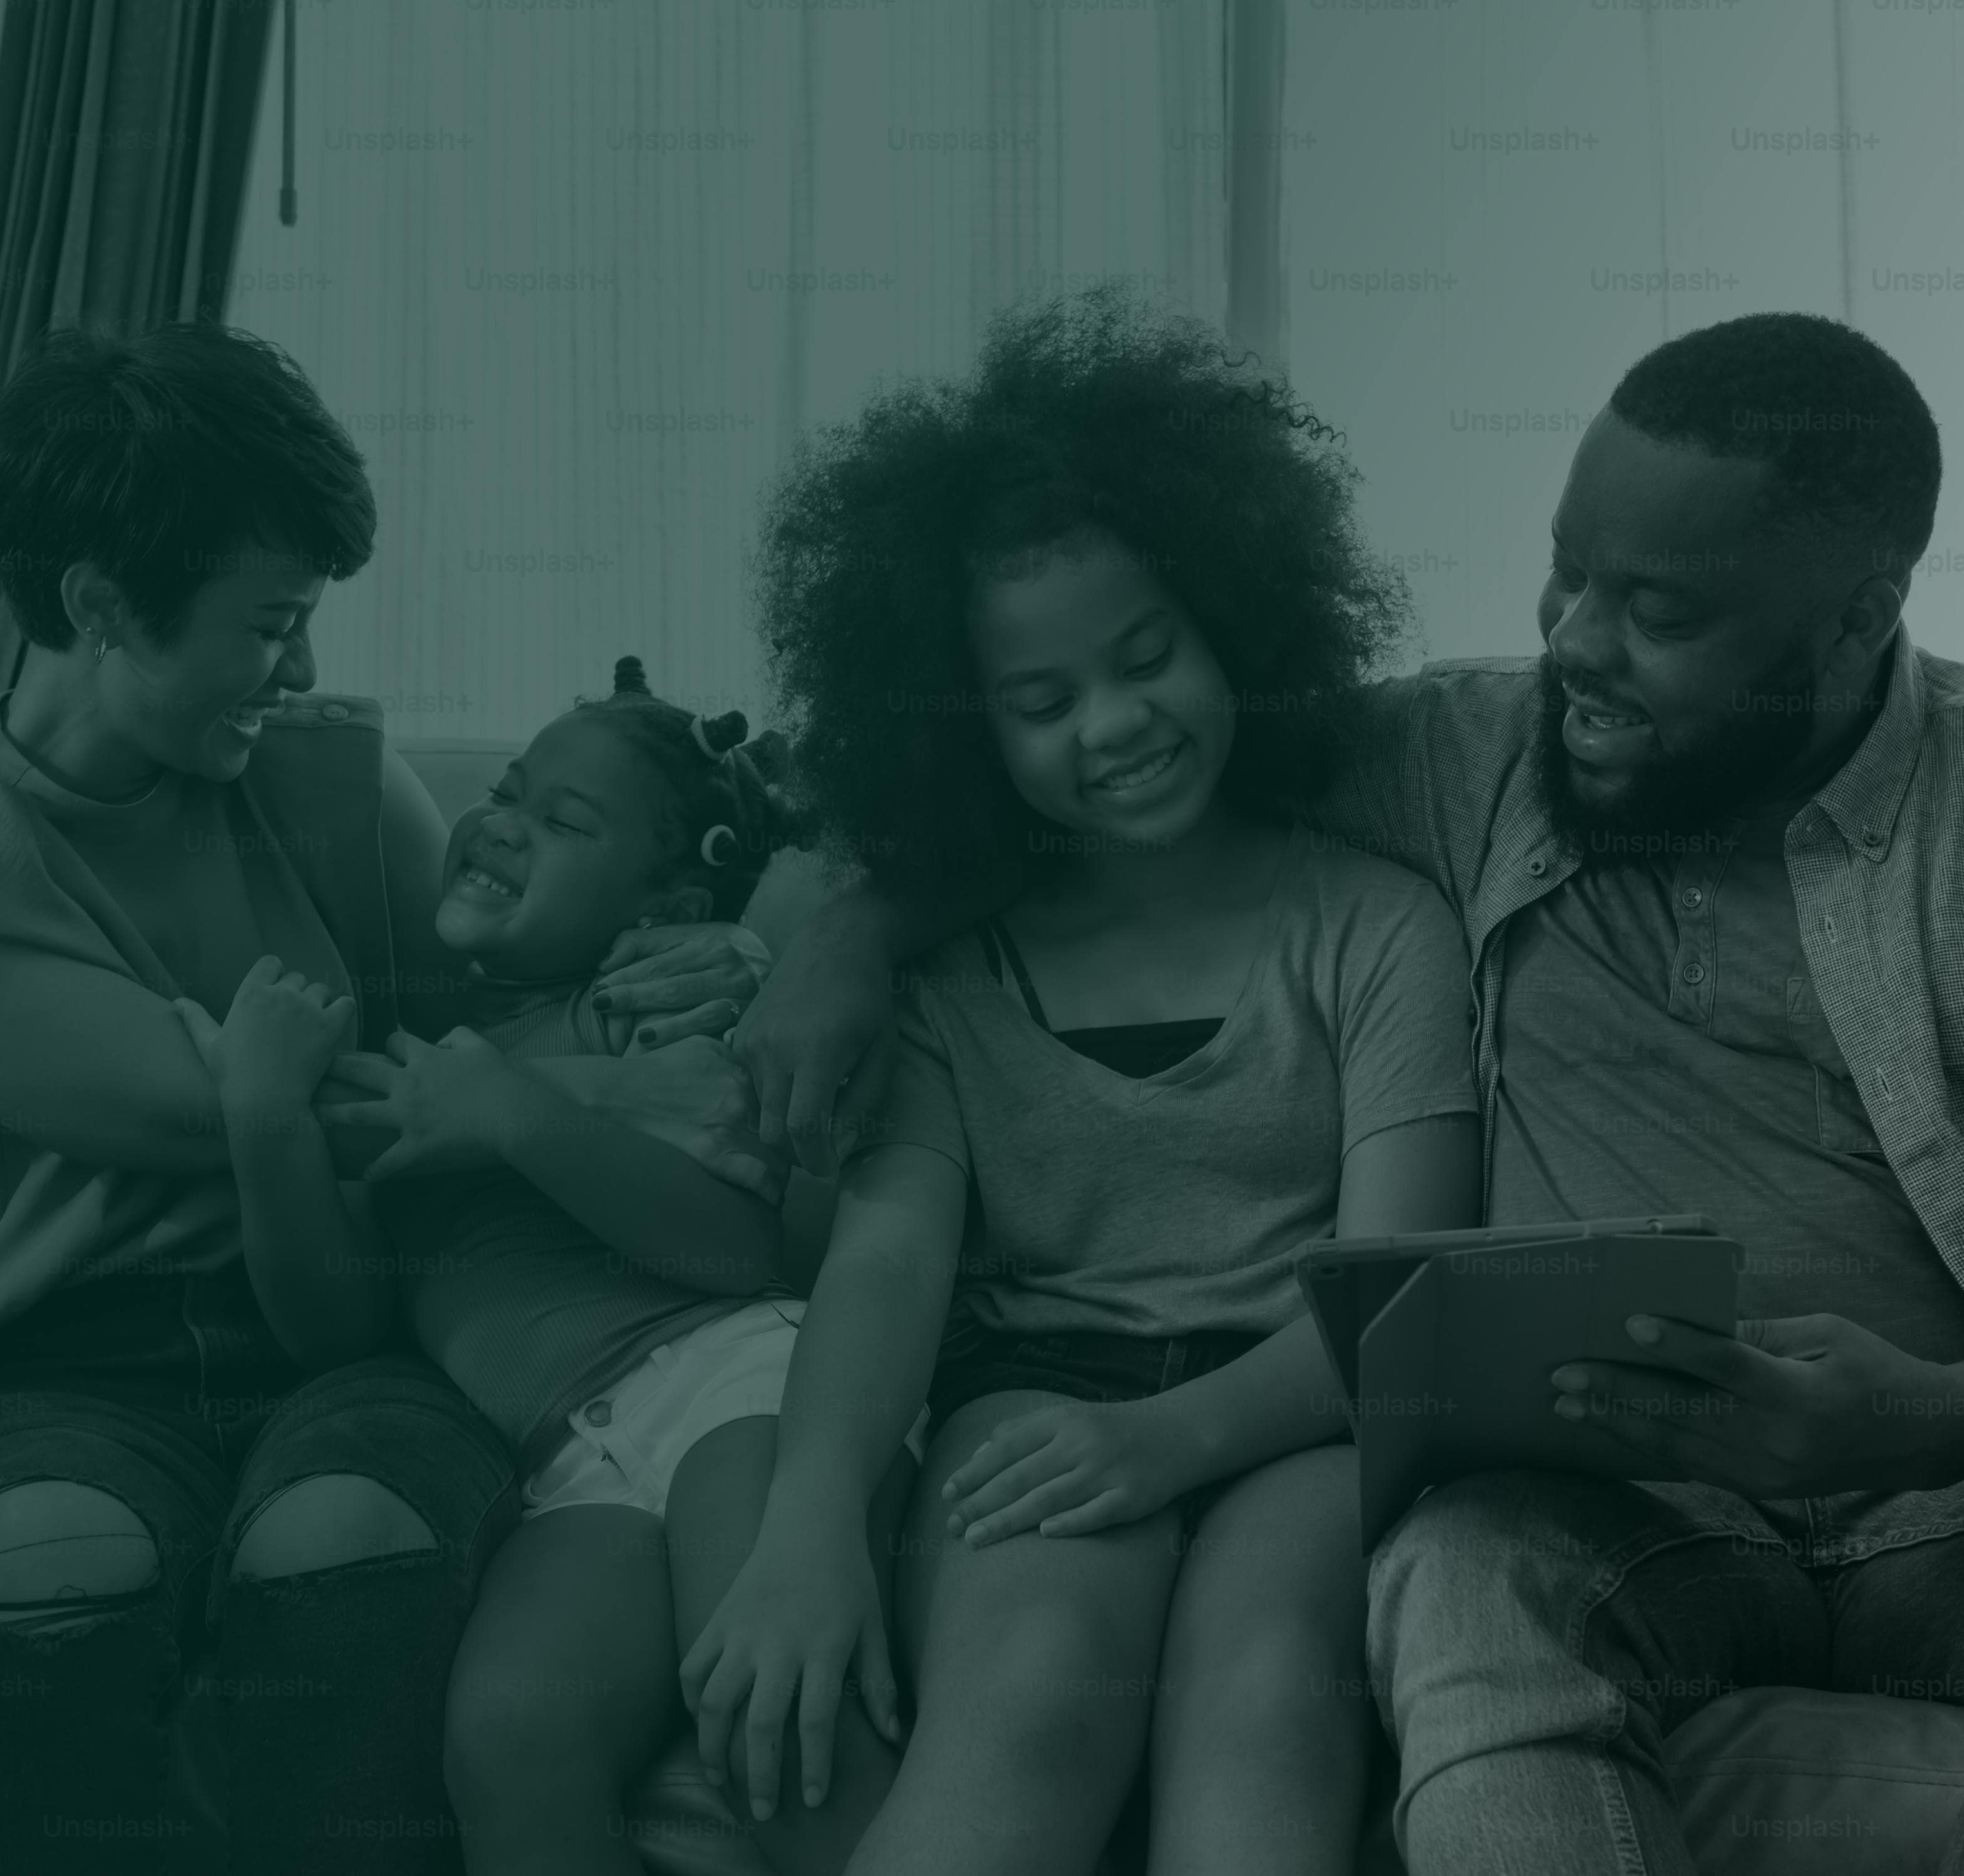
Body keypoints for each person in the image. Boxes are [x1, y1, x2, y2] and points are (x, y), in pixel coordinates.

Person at [728, 310, 1964, 1876]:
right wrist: (848, 925)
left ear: (1855, 618)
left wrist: (1921, 1412)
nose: (1574, 644)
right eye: (1569, 572)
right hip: (1618, 1499)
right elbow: (1103, 809)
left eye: (1655, 611)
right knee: (1462, 1564)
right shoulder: (1472, 748)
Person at [686, 292, 1484, 1876]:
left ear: (1235, 625)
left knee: (1266, 1686)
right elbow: (890, 1254)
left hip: (1300, 1407)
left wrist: (1176, 1440)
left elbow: (1399, 1295)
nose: (1114, 727)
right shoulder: (943, 971)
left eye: (1146, 659)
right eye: (1043, 704)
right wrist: (812, 1521)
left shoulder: (1376, 923)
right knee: (1036, 1687)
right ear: (968, 726)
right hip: (1032, 1394)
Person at [0, 324, 771, 1874]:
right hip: (79, 1363)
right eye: (267, 623)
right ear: (97, 606)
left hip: (369, 1326)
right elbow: (215, 1105)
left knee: (348, 1541)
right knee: (47, 1564)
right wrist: (512, 1091)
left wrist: (739, 947)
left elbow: (529, 981)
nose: (298, 669)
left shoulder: (328, 779)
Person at [182, 654, 915, 1876]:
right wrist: (264, 1125)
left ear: (660, 904)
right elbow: (335, 1326)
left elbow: (739, 1252)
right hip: (571, 1454)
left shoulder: (637, 1006)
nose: (504, 825)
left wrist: (520, 1114)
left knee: (777, 1717)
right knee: (512, 1735)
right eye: (512, 792)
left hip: (743, 1384)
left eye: (563, 820)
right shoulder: (421, 1061)